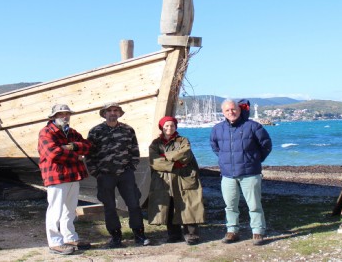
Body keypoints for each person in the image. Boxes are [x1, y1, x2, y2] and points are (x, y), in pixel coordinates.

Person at [85, 102, 151, 248]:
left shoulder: (128, 130)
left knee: (134, 204)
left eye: (116, 110)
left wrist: (131, 168)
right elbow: (89, 155)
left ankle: (139, 234)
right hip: (105, 175)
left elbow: (135, 150)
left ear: (119, 113)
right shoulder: (95, 131)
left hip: (125, 174)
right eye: (110, 111)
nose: (113, 113)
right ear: (104, 114)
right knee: (109, 206)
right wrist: (96, 173)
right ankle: (115, 236)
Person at [210, 99, 272, 246]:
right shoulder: (218, 129)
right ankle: (232, 231)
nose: (231, 112)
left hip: (250, 173)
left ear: (239, 109)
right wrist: (225, 159)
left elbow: (266, 145)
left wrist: (255, 159)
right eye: (227, 110)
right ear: (223, 112)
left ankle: (257, 232)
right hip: (227, 174)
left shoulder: (253, 126)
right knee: (230, 205)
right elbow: (214, 146)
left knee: (254, 204)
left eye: (233, 109)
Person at [38, 104, 93, 255]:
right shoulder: (46, 132)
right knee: (55, 210)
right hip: (56, 176)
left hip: (73, 175)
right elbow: (54, 154)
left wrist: (72, 146)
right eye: (61, 114)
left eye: (67, 113)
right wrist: (77, 155)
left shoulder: (72, 132)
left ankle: (69, 237)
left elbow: (88, 146)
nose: (65, 116)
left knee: (69, 210)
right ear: (54, 116)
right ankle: (55, 242)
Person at [148, 116, 205, 245]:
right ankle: (173, 235)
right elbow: (154, 161)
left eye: (172, 126)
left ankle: (192, 235)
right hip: (165, 180)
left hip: (183, 177)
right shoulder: (155, 143)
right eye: (166, 126)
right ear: (162, 127)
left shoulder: (183, 140)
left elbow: (185, 154)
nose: (169, 128)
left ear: (175, 127)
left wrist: (164, 157)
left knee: (189, 205)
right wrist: (173, 164)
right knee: (169, 205)